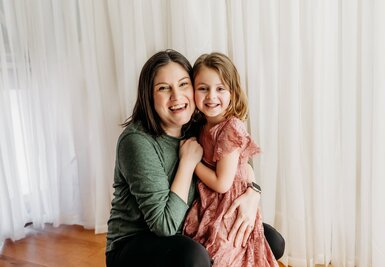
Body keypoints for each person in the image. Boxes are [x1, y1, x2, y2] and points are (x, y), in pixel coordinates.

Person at [105, 49, 284, 267]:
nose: (177, 96)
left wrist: (252, 193)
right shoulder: (137, 142)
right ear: (148, 95)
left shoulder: (195, 125)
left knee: (271, 241)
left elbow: (237, 164)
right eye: (163, 88)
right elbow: (164, 226)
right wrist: (188, 163)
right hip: (136, 242)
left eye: (183, 84)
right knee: (194, 256)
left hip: (191, 227)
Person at [183, 52, 279, 267]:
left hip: (230, 205)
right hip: (210, 205)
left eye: (220, 89)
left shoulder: (230, 128)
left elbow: (222, 183)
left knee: (223, 257)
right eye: (203, 88)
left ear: (233, 93)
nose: (211, 96)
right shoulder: (201, 125)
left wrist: (191, 162)